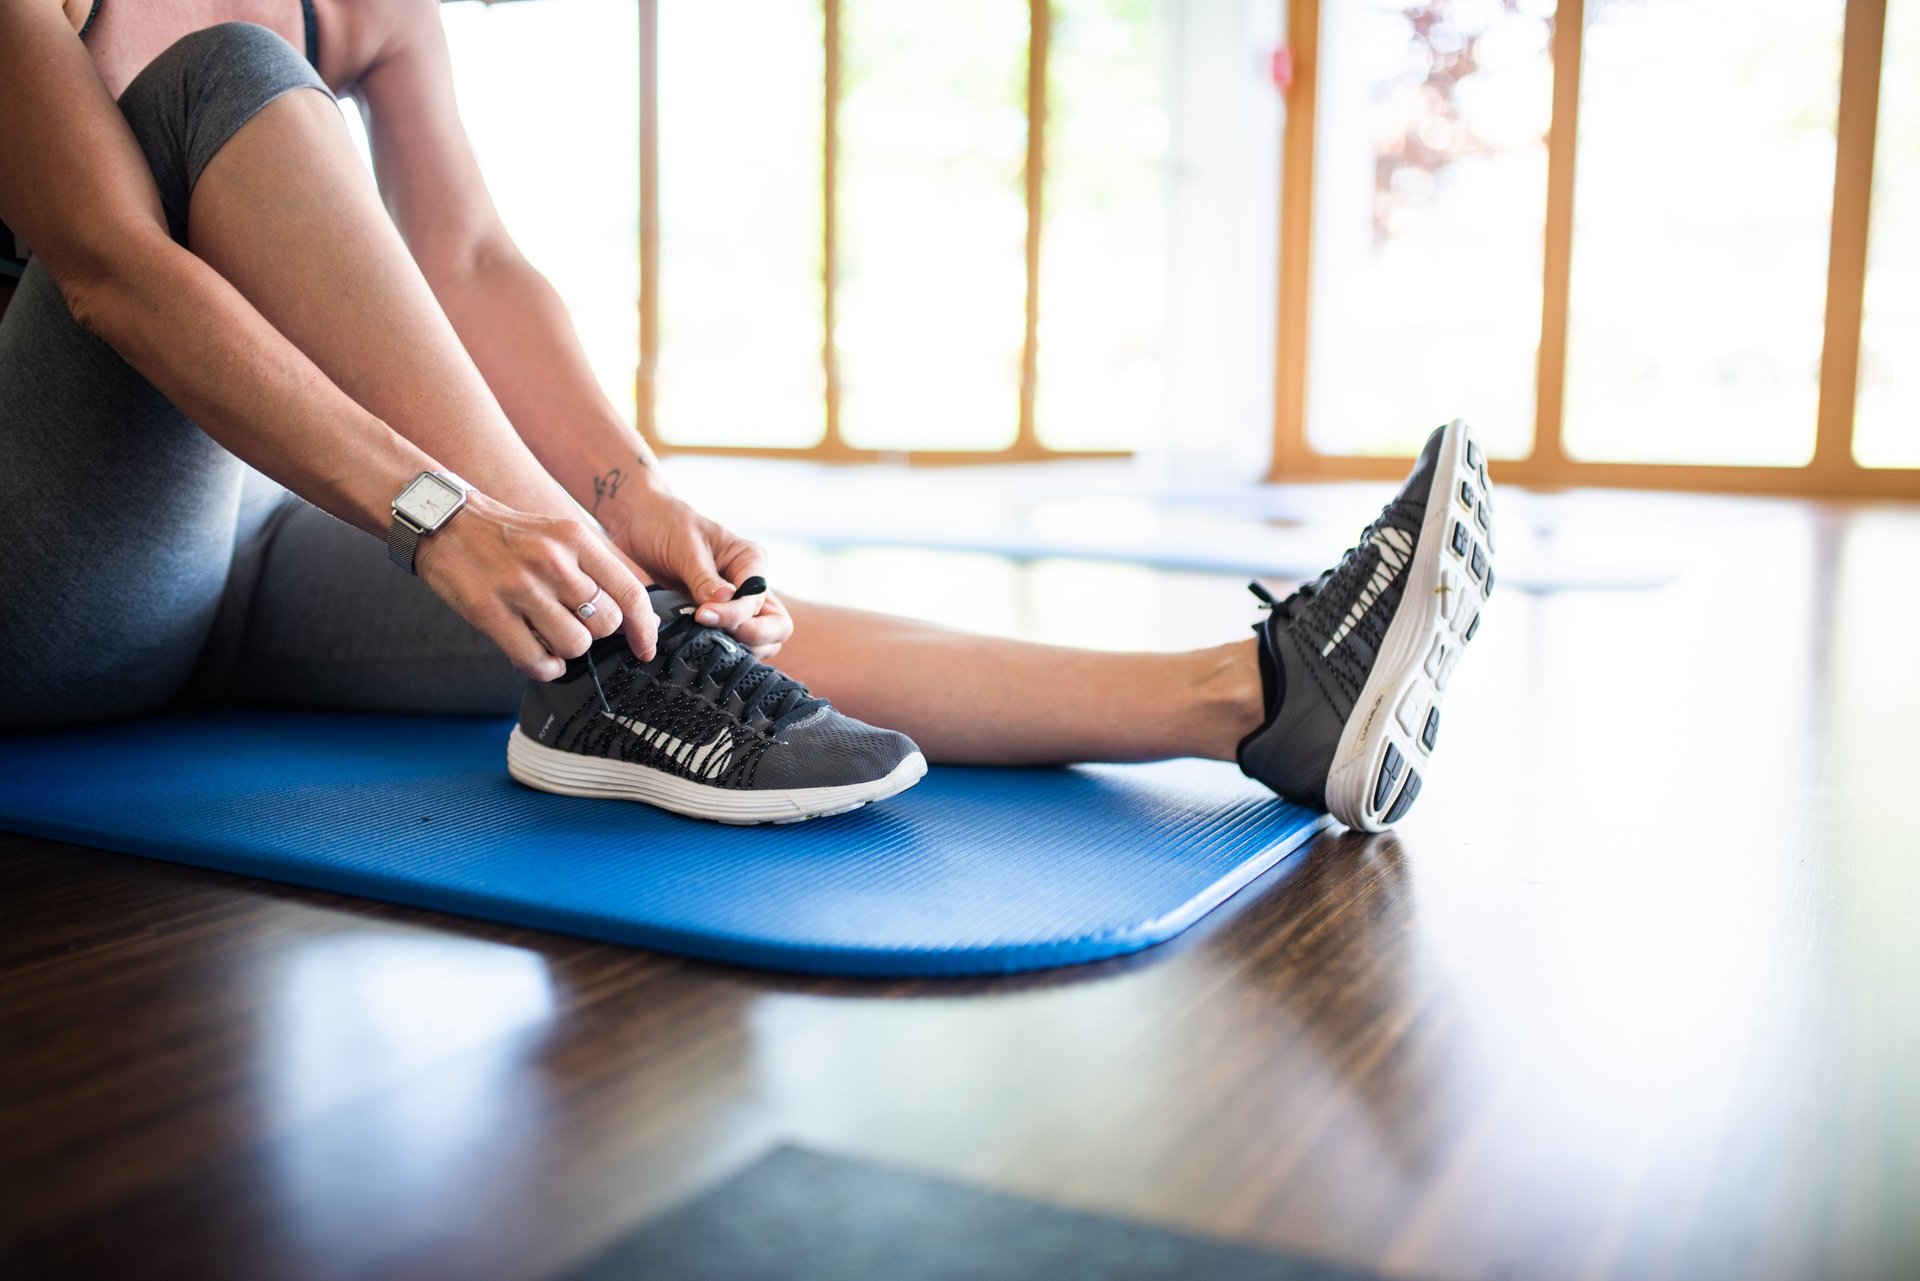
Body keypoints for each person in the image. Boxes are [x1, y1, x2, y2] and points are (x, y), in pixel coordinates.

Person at [0, 3, 1494, 830]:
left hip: (244, 543)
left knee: (680, 615)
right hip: (49, 573)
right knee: (223, 84)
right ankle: (608, 650)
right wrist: (448, 512)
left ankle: (1258, 696)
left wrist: (619, 485)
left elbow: (469, 261)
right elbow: (112, 274)